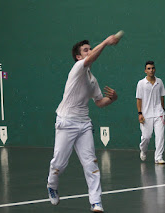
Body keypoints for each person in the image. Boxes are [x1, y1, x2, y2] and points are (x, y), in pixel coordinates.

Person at [47, 35, 120, 213]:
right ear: (79, 57)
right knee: (59, 163)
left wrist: (112, 99)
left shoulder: (92, 80)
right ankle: (51, 185)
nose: (89, 51)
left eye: (90, 48)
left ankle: (96, 202)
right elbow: (91, 58)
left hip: (84, 124)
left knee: (91, 163)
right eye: (85, 50)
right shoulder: (78, 68)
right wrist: (105, 42)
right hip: (66, 121)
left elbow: (99, 102)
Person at [136, 61, 165, 164]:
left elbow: (162, 97)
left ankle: (158, 157)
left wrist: (163, 111)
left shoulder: (160, 82)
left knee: (160, 136)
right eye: (148, 68)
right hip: (146, 115)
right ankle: (143, 150)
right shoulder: (141, 83)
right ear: (145, 71)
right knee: (146, 137)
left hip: (159, 114)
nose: (151, 70)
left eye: (152, 68)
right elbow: (139, 99)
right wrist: (140, 113)